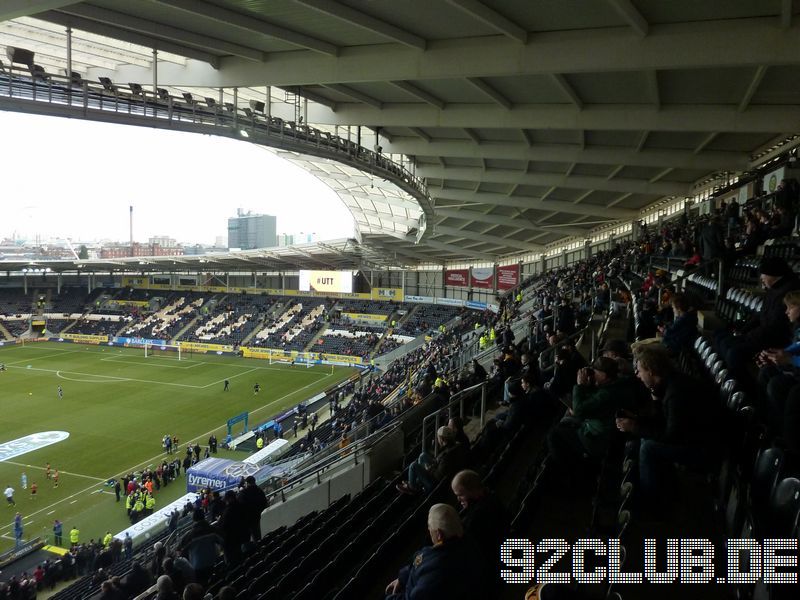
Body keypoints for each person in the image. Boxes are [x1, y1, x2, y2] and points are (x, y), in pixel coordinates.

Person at [616, 345, 716, 511]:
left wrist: (635, 427)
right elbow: (664, 421)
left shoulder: (676, 393)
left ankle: (653, 505)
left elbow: (671, 435)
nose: (637, 375)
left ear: (651, 371)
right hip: (695, 438)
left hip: (705, 449)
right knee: (646, 437)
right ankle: (663, 491)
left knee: (648, 447)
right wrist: (639, 419)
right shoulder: (669, 384)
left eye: (640, 370)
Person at [384, 504, 483, 599]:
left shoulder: (436, 570)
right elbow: (418, 562)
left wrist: (390, 598)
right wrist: (403, 577)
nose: (429, 530)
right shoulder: (466, 541)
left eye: (430, 527)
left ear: (439, 534)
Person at [451, 470, 510, 595]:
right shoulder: (492, 497)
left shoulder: (477, 517)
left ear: (473, 491)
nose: (458, 499)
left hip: (486, 569)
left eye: (461, 494)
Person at [396, 426, 470, 495]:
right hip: (438, 469)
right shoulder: (454, 445)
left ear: (442, 439)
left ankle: (412, 487)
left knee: (413, 466)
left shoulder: (447, 455)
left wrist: (430, 470)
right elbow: (440, 464)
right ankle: (417, 482)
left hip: (434, 484)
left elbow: (439, 476)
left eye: (438, 438)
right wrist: (432, 466)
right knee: (423, 456)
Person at [238, 475, 268, 542]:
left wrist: (240, 488)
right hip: (257, 515)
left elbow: (240, 502)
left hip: (248, 518)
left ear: (247, 483)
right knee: (257, 534)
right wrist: (258, 510)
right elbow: (264, 502)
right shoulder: (259, 490)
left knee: (252, 536)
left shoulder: (244, 492)